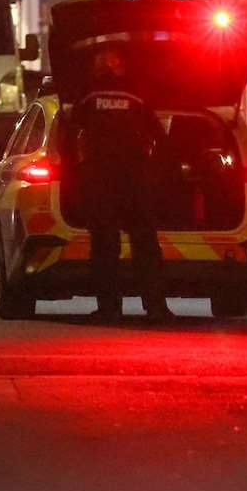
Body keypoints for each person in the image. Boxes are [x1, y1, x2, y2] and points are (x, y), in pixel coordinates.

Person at [57, 44, 172, 322]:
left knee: (105, 247)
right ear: (121, 68)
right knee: (145, 245)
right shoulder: (137, 98)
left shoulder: (87, 99)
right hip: (134, 180)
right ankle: (156, 307)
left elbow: (69, 139)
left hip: (101, 181)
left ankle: (109, 308)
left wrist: (76, 172)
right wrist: (155, 171)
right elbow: (160, 139)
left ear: (96, 69)